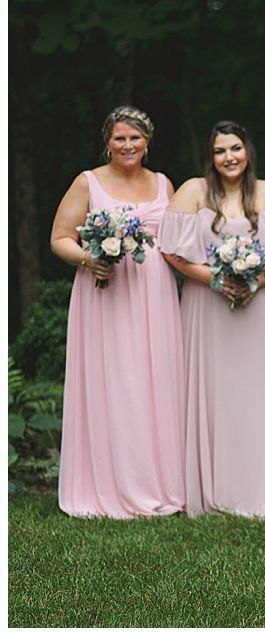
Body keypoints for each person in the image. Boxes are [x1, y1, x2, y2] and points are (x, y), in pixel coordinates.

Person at [159, 120, 265, 518]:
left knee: (257, 391)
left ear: (248, 152)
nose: (229, 157)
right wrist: (217, 281)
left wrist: (258, 280)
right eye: (220, 151)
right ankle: (211, 486)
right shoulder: (193, 191)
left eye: (235, 148)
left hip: (264, 308)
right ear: (211, 157)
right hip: (207, 306)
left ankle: (263, 484)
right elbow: (171, 251)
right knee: (214, 391)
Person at [50, 105, 185, 518]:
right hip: (104, 293)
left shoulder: (164, 184)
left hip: (155, 295)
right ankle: (106, 485)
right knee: (116, 382)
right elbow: (60, 238)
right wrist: (89, 259)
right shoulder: (88, 182)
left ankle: (160, 483)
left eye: (135, 137)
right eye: (119, 138)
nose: (128, 145)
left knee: (154, 383)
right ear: (107, 141)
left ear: (148, 141)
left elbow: (181, 240)